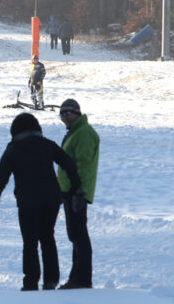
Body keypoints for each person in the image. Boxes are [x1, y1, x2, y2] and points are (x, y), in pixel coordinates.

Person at [0, 113, 82, 292]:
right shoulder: (47, 144)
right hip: (51, 199)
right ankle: (51, 280)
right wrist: (77, 186)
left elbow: (1, 177)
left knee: (30, 242)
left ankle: (30, 283)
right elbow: (68, 163)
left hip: (28, 201)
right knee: (47, 237)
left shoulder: (13, 149)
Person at [56, 99, 100, 289]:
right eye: (62, 115)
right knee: (75, 234)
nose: (65, 118)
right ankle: (77, 278)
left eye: (68, 114)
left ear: (77, 112)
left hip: (76, 191)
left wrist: (80, 192)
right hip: (70, 190)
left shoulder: (83, 133)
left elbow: (84, 165)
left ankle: (82, 280)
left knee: (79, 235)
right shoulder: (75, 132)